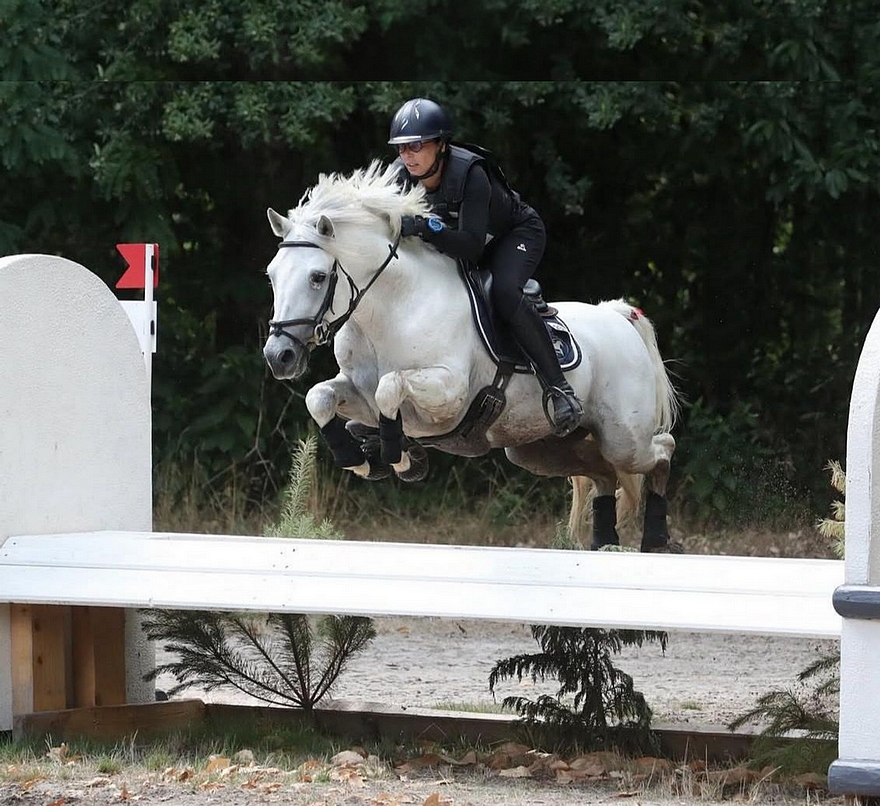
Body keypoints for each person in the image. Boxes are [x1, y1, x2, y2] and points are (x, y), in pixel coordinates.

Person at [388, 97, 584, 437]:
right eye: (402, 148)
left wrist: (425, 227)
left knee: (505, 292)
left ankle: (560, 390)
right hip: (464, 244)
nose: (407, 155)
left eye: (416, 146)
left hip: (514, 236)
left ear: (441, 145)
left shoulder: (470, 173)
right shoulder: (398, 176)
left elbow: (469, 246)